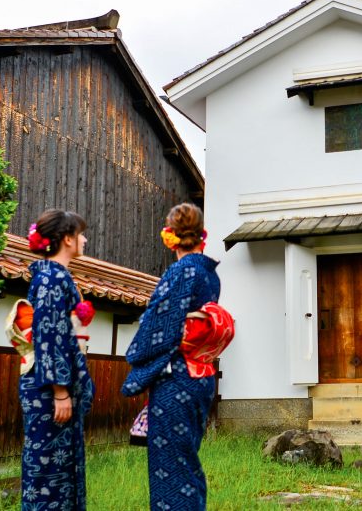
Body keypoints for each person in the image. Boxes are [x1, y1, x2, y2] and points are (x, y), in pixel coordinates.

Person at [122, 203, 221, 510]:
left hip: (176, 379)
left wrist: (135, 357)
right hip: (200, 376)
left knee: (171, 470)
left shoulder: (181, 271)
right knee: (186, 461)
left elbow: (159, 325)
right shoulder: (209, 274)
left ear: (171, 235)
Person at [21, 209, 96, 510]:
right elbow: (48, 336)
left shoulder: (56, 276)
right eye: (80, 234)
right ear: (67, 239)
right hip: (49, 392)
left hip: (54, 388)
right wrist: (60, 391)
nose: (85, 239)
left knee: (61, 469)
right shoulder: (51, 278)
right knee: (48, 473)